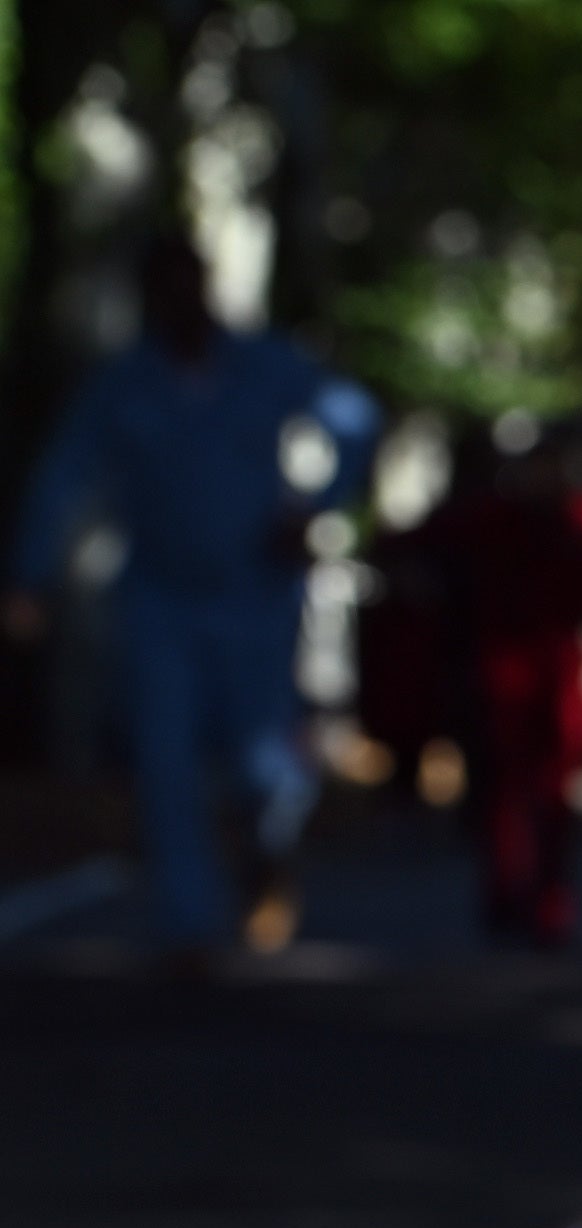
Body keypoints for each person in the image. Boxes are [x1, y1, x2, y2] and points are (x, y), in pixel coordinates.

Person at [6, 231, 380, 949]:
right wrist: (31, 576)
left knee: (260, 761)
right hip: (160, 600)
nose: (180, 301)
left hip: (257, 597)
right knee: (165, 763)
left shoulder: (266, 367)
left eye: (190, 284)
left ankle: (267, 849)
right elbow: (63, 480)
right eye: (164, 287)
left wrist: (317, 505)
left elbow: (354, 419)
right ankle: (189, 927)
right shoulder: (124, 385)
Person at [410, 429, 582, 946]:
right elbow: (418, 542)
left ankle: (548, 895)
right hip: (502, 669)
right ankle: (506, 890)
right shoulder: (491, 518)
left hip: (562, 671)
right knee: (505, 789)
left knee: (555, 792)